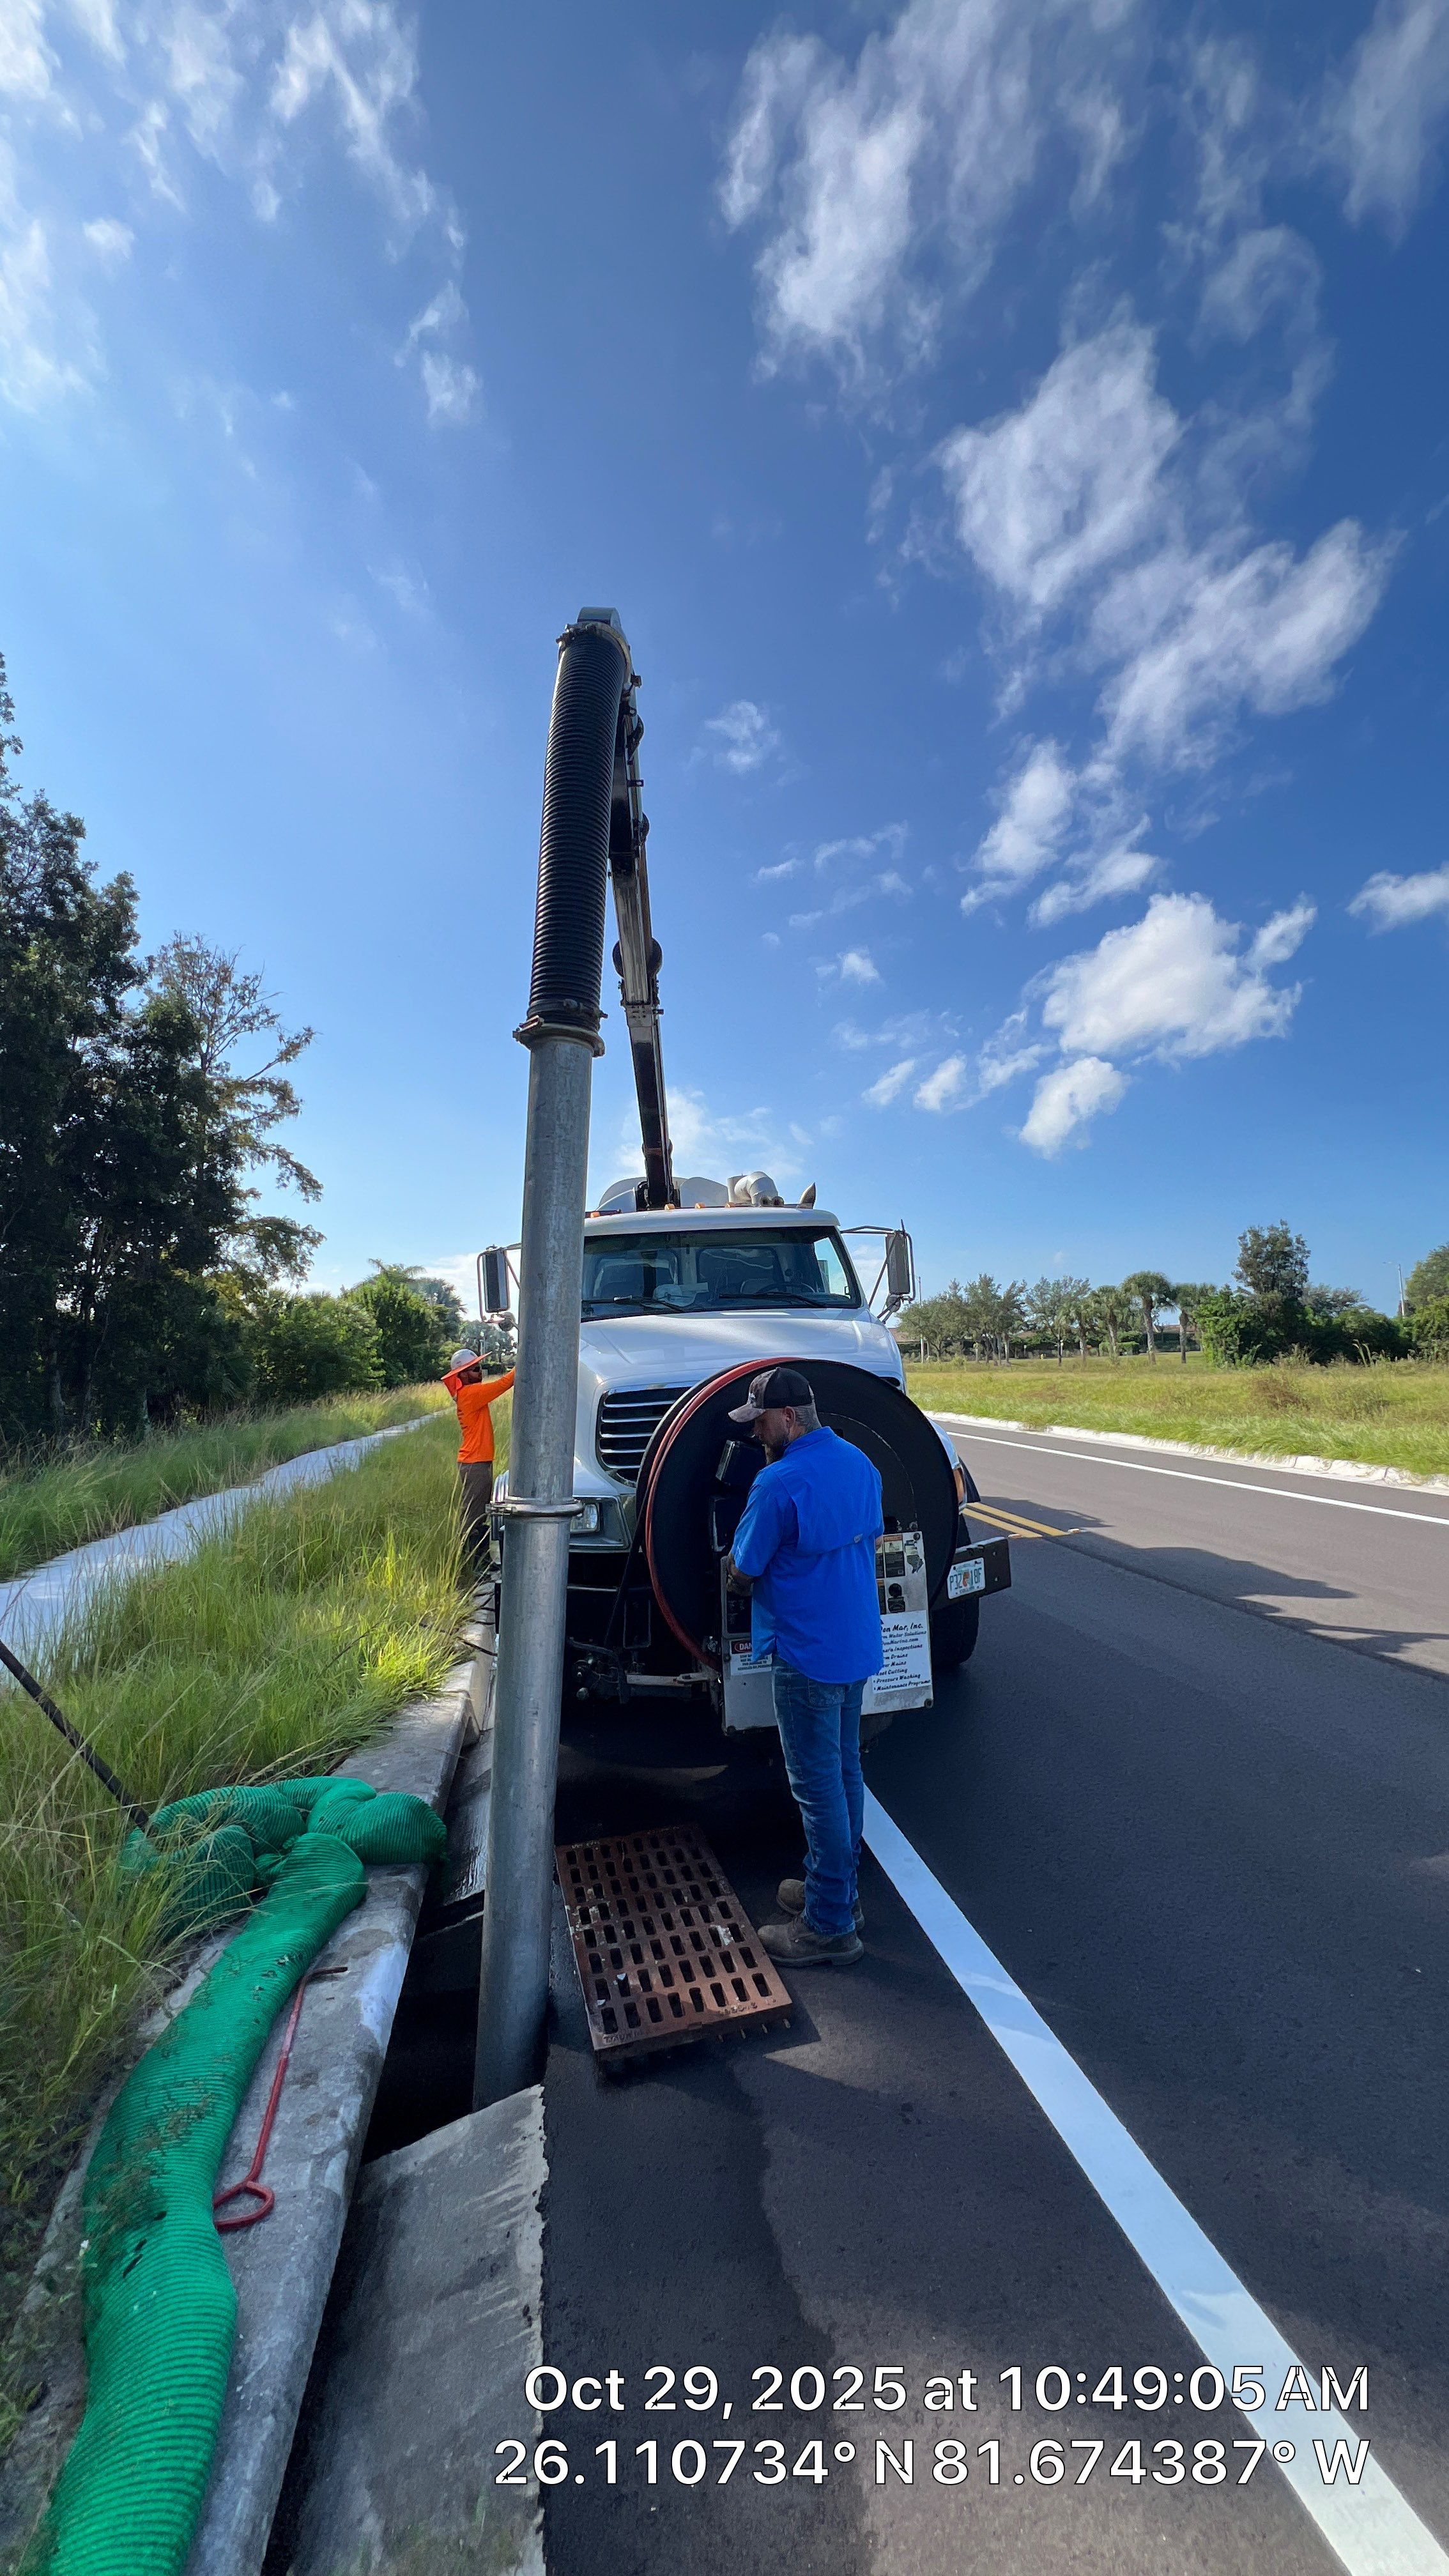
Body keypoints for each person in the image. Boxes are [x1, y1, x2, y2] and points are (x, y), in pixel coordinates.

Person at [725, 1365, 883, 1966]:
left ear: (787, 1418)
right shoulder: (859, 1462)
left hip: (807, 1653)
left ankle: (828, 1927)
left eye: (760, 1421)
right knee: (844, 1774)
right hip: (855, 1644)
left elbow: (746, 1566)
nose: (755, 1432)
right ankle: (836, 1891)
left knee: (817, 1789)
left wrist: (735, 1577)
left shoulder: (778, 1482)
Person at [446, 1346, 516, 1570]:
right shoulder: (470, 1394)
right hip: (474, 1463)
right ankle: (472, 1567)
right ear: (463, 1375)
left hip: (477, 1462)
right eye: (476, 1369)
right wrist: (523, 1363)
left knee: (477, 1514)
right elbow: (504, 1384)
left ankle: (481, 1563)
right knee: (473, 1517)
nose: (481, 1372)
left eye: (480, 1368)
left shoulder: (470, 1394)